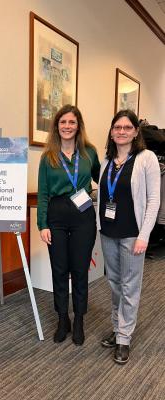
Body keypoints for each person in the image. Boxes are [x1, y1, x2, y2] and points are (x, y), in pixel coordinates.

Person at [97, 109, 160, 364]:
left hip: (133, 234)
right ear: (111, 132)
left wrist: (145, 235)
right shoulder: (107, 161)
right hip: (108, 232)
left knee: (129, 285)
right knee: (114, 282)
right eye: (117, 127)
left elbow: (154, 200)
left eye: (127, 127)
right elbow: (104, 195)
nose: (121, 131)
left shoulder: (147, 158)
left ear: (135, 132)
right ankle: (117, 326)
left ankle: (124, 337)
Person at [37, 105, 100, 345]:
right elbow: (43, 193)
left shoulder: (89, 153)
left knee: (80, 270)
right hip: (57, 216)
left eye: (72, 122)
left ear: (78, 126)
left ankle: (80, 319)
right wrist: (43, 224)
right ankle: (63, 318)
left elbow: (99, 176)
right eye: (63, 122)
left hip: (83, 216)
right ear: (56, 126)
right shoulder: (48, 157)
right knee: (60, 270)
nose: (67, 126)